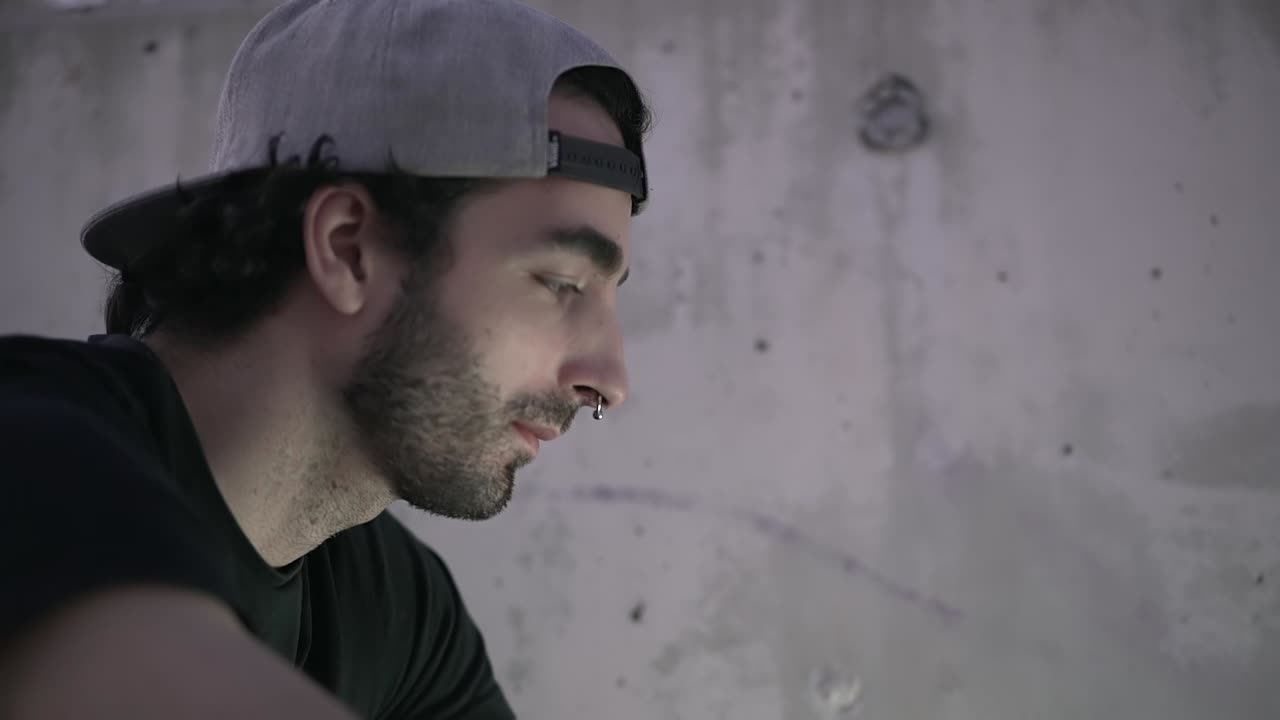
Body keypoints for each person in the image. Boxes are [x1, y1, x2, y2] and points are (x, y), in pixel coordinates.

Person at [0, 0, 653, 717]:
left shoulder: (400, 613)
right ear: (347, 249)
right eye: (560, 283)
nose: (610, 380)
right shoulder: (29, 444)